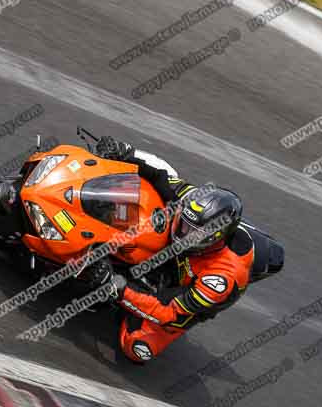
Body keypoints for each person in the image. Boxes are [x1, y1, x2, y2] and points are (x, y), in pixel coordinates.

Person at [93, 136, 254, 364]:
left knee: (138, 348)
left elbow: (168, 311)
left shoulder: (221, 278)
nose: (184, 234)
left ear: (215, 238)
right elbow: (163, 174)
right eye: (185, 225)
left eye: (193, 233)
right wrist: (126, 153)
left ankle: (132, 297)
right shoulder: (195, 203)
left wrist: (116, 287)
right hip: (179, 261)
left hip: (182, 297)